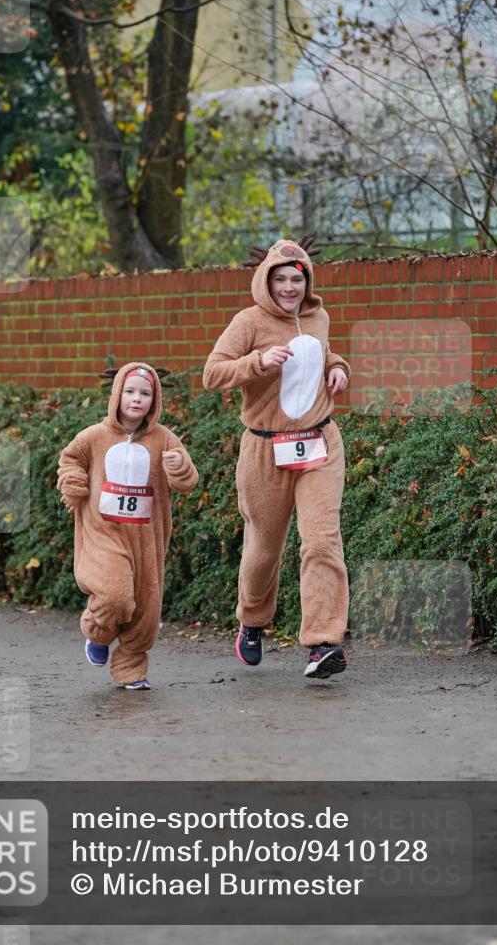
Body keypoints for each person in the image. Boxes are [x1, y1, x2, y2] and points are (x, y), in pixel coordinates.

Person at [203, 238, 351, 680]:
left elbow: (324, 352)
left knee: (321, 540)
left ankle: (323, 642)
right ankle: (251, 620)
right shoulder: (248, 321)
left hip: (319, 443)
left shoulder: (319, 317)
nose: (289, 287)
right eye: (281, 279)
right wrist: (258, 361)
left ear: (308, 282)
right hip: (265, 450)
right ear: (266, 282)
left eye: (296, 279)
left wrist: (338, 368)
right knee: (264, 551)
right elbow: (212, 373)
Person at [57, 362, 198, 690]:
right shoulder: (94, 436)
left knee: (146, 608)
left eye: (145, 394)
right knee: (115, 595)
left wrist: (179, 466)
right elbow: (70, 460)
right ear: (116, 395)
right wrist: (74, 485)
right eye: (130, 391)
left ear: (155, 400)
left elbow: (187, 482)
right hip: (103, 532)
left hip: (147, 537)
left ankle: (131, 669)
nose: (137, 399)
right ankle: (98, 631)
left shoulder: (164, 439)